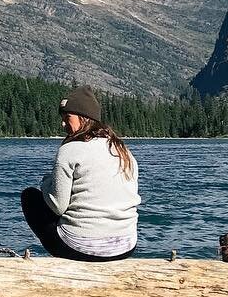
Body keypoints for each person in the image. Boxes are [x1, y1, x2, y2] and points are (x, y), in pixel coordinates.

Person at [20, 87, 140, 260]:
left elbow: (57, 205)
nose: (62, 124)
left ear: (84, 118)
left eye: (67, 117)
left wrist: (45, 182)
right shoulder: (123, 150)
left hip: (79, 247)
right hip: (126, 246)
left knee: (30, 196)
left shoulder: (69, 150)